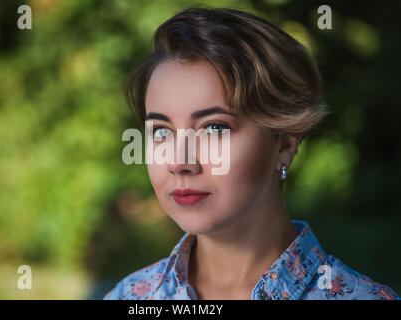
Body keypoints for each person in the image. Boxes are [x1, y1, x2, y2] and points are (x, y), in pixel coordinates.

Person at [103, 6, 399, 300]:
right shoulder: (128, 297)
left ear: (284, 142)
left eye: (214, 128)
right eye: (162, 131)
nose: (179, 162)